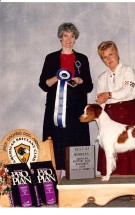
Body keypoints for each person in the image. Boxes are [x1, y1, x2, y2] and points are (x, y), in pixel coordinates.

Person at [39, 22, 93, 182]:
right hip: (55, 113)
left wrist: (80, 80)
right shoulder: (50, 58)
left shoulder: (82, 59)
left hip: (77, 113)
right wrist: (57, 77)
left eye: (72, 36)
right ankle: (54, 190)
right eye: (65, 36)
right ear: (60, 38)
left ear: (75, 39)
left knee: (76, 149)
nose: (68, 39)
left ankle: (77, 190)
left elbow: (89, 87)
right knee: (56, 149)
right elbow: (43, 84)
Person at [95, 41, 135, 190]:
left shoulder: (128, 71)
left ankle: (134, 189)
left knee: (132, 149)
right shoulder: (101, 78)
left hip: (130, 112)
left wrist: (109, 94)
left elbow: (127, 91)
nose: (108, 59)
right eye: (104, 57)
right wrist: (101, 125)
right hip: (110, 115)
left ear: (117, 53)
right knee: (110, 148)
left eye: (111, 54)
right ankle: (114, 186)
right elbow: (100, 104)